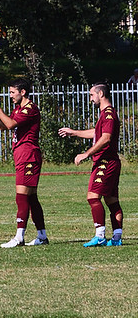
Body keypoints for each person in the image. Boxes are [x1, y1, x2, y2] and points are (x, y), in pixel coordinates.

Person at [0, 79, 49, 248]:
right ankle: (42, 236)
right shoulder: (19, 108)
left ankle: (19, 236)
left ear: (23, 92)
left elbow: (11, 124)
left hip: (28, 156)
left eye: (13, 92)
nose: (10, 95)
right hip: (22, 155)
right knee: (31, 198)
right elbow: (2, 127)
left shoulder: (30, 109)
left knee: (21, 196)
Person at [59, 82, 123, 246]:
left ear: (101, 94)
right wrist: (73, 132)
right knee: (111, 200)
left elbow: (106, 137)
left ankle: (100, 235)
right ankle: (116, 238)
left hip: (105, 161)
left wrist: (86, 154)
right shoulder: (105, 114)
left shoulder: (108, 113)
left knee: (93, 197)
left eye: (91, 95)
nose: (90, 99)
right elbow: (96, 133)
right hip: (110, 161)